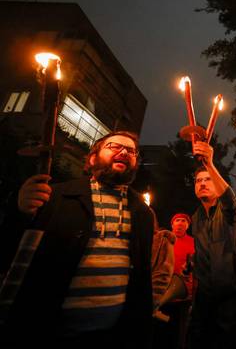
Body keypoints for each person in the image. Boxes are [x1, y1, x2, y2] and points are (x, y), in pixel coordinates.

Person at [1, 131, 154, 349]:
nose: (123, 152)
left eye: (131, 151)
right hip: (48, 331)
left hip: (111, 336)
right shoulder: (56, 196)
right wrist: (20, 211)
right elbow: (11, 251)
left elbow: (142, 277)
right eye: (114, 146)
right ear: (93, 158)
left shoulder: (142, 212)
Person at [186, 141, 236, 349]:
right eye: (198, 181)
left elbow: (230, 199)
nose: (202, 183)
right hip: (204, 298)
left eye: (208, 180)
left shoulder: (229, 211)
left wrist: (210, 164)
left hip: (232, 298)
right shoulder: (196, 217)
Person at [153, 213, 194, 349]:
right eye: (177, 220)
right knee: (159, 332)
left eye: (184, 221)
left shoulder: (193, 243)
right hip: (161, 293)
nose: (180, 223)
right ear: (172, 224)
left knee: (178, 333)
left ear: (188, 225)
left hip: (182, 296)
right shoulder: (164, 239)